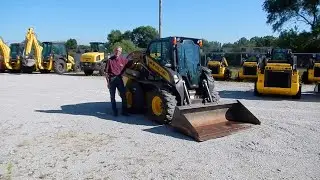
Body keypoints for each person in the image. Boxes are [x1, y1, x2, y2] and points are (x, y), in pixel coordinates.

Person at [105, 46, 129, 117]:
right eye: (116, 50)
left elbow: (130, 64)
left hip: (119, 79)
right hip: (112, 79)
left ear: (121, 52)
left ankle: (124, 111)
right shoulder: (110, 60)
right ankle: (115, 111)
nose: (117, 52)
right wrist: (108, 83)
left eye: (119, 51)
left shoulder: (123, 60)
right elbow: (106, 73)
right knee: (112, 96)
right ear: (114, 51)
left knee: (123, 95)